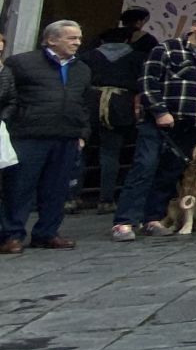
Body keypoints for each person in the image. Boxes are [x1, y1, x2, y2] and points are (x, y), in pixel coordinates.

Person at [115, 11, 196, 242]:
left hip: (191, 123)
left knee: (171, 172)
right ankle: (124, 221)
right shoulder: (166, 49)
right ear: (195, 26)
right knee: (144, 167)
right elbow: (147, 81)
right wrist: (159, 111)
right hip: (159, 122)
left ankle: (153, 219)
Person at [1, 21, 90, 254]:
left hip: (66, 135)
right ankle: (11, 235)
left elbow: (83, 102)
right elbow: (8, 95)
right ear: (51, 40)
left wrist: (82, 132)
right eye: (71, 38)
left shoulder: (82, 68)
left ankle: (47, 233)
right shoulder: (22, 63)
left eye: (79, 38)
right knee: (19, 187)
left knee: (57, 189)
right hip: (29, 134)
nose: (77, 43)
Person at [79, 23, 143, 212]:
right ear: (126, 40)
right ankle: (106, 199)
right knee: (110, 153)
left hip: (90, 103)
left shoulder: (87, 57)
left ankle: (72, 197)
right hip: (120, 106)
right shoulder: (136, 58)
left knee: (82, 151)